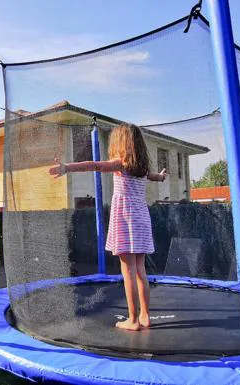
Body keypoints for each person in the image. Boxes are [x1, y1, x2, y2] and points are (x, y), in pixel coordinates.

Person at [49, 123, 166, 331]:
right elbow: (155, 177)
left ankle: (132, 320)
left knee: (128, 269)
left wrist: (67, 168)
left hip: (126, 218)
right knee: (140, 270)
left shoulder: (120, 164)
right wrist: (163, 176)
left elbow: (94, 165)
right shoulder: (142, 169)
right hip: (141, 219)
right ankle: (145, 315)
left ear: (120, 144)